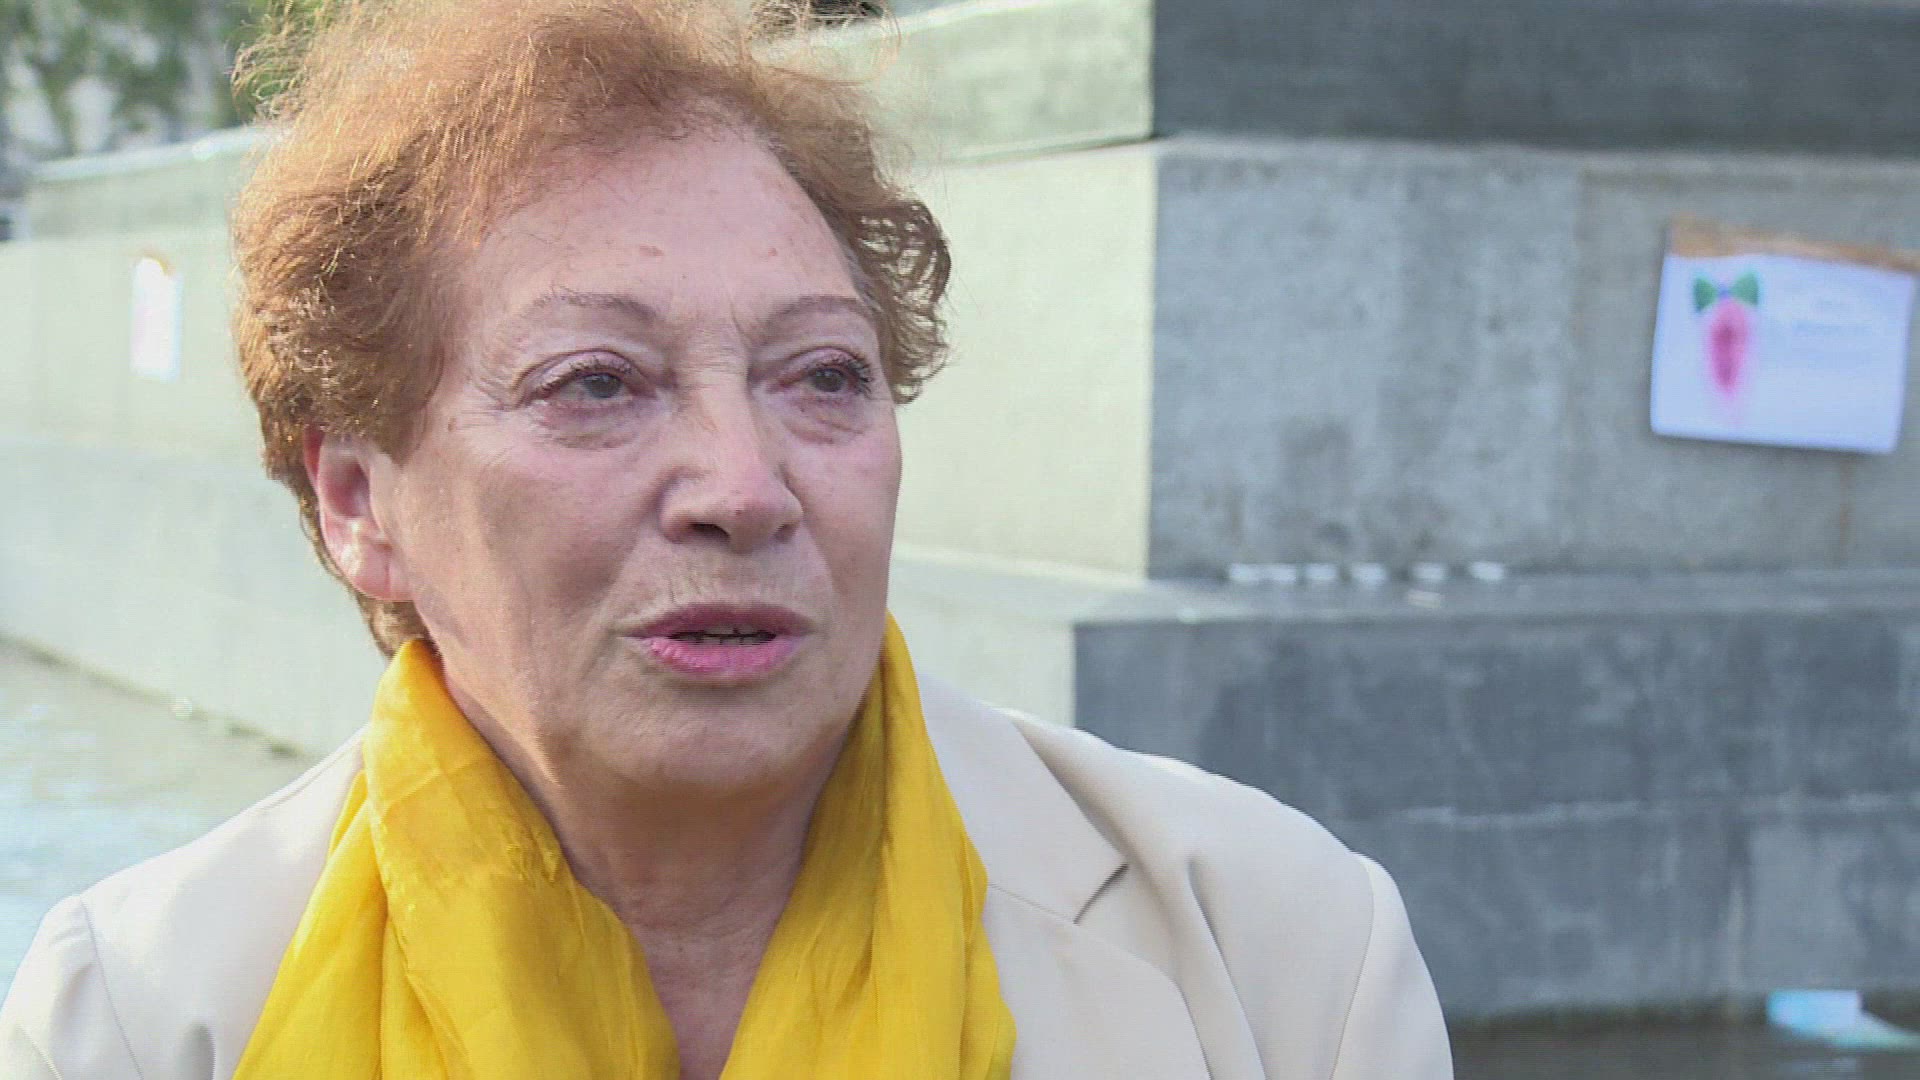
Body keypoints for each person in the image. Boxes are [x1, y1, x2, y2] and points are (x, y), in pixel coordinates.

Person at [0, 1, 1451, 1076]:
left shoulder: (1277, 960)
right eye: (597, 385)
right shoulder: (132, 1022)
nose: (745, 489)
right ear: (357, 501)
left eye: (822, 376)